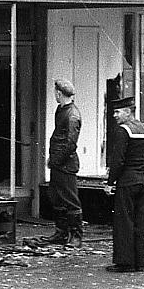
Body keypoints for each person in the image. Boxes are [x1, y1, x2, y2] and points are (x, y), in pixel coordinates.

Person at [103, 95, 144, 272]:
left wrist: (110, 182)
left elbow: (118, 160)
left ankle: (124, 262)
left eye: (117, 112)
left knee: (124, 222)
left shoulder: (123, 131)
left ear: (127, 112)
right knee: (139, 222)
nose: (114, 115)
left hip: (126, 181)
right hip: (141, 180)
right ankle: (139, 261)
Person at [44, 78, 83, 248]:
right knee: (56, 198)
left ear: (59, 93)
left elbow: (70, 144)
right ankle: (61, 233)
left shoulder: (72, 115)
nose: (54, 94)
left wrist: (56, 160)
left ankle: (76, 236)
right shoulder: (61, 110)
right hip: (58, 163)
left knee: (70, 200)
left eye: (55, 92)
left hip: (65, 165)